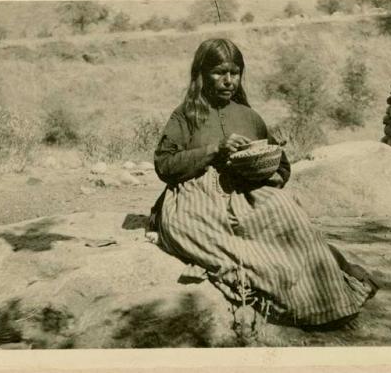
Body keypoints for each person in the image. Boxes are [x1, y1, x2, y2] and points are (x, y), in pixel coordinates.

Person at [151, 38, 378, 329]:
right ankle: (267, 285)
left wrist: (269, 175)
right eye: (219, 72)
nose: (228, 80)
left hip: (247, 191)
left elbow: (281, 165)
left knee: (287, 211)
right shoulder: (185, 115)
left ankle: (324, 296)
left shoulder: (249, 116)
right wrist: (214, 150)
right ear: (201, 74)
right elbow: (164, 165)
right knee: (203, 231)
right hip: (196, 194)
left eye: (235, 73)